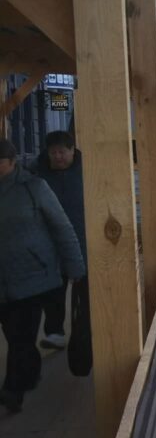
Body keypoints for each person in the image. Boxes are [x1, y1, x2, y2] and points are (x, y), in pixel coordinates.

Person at [0, 139, 85, 413]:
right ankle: (30, 371)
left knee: (21, 335)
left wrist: (75, 267)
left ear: (12, 162)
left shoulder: (34, 187)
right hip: (3, 280)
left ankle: (12, 391)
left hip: (32, 277)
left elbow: (62, 227)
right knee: (15, 336)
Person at [33, 131, 87, 350]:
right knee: (53, 289)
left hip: (82, 239)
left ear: (72, 150)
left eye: (62, 152)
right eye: (53, 152)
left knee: (83, 291)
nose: (57, 157)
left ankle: (83, 334)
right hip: (49, 242)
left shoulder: (87, 170)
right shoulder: (36, 173)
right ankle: (55, 332)